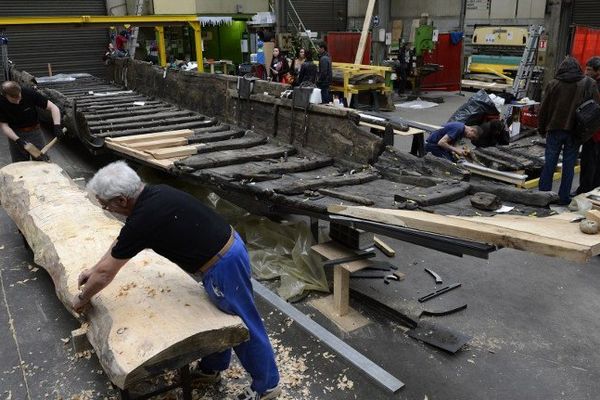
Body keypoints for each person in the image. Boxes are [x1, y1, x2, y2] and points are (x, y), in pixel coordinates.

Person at [72, 161, 281, 400]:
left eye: (105, 204)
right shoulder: (153, 194)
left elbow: (106, 274)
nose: (105, 209)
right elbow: (121, 245)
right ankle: (212, 368)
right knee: (218, 315)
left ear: (121, 200)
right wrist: (95, 268)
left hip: (223, 264)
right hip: (224, 252)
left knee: (244, 324)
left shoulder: (144, 218)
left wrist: (82, 297)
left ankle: (267, 386)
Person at [538, 56, 600, 205]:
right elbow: (596, 108)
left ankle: (543, 196)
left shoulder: (553, 84)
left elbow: (544, 109)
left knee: (549, 164)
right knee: (569, 165)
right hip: (575, 131)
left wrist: (541, 128)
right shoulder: (588, 83)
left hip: (554, 129)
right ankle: (564, 197)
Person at [0, 81, 62, 162]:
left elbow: (53, 107)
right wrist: (18, 140)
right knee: (20, 164)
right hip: (15, 134)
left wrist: (57, 126)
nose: (18, 102)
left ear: (20, 91)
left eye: (19, 97)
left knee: (42, 161)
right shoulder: (1, 103)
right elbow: (4, 126)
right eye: (14, 100)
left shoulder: (28, 93)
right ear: (5, 96)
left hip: (35, 132)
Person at [576, 56, 600, 194]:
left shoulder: (593, 85)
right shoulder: (592, 83)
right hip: (594, 131)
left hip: (593, 131)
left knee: (589, 162)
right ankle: (593, 189)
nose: (586, 71)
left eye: (589, 69)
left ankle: (585, 190)